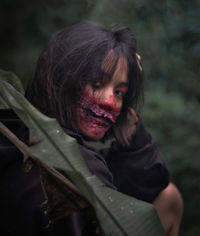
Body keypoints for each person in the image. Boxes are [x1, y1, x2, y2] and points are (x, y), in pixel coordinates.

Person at [0, 21, 183, 235]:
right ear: (62, 79)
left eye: (120, 92)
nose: (110, 102)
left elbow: (147, 181)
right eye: (97, 83)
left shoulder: (18, 130)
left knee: (169, 196)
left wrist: (134, 135)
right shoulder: (73, 164)